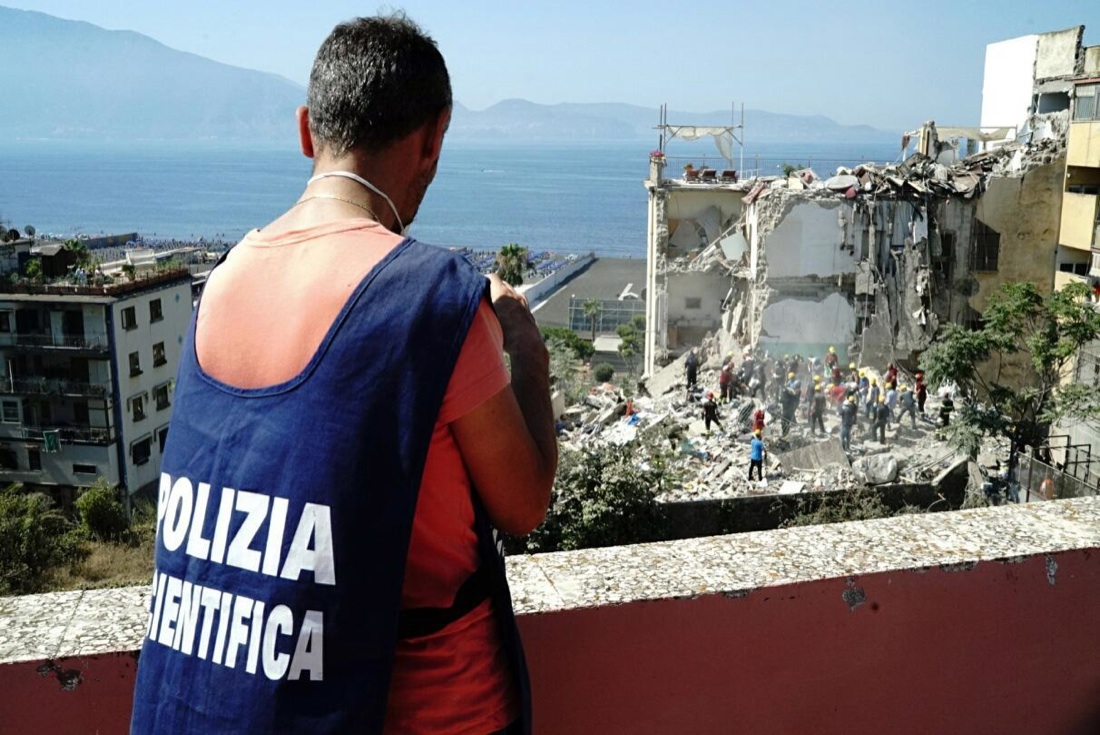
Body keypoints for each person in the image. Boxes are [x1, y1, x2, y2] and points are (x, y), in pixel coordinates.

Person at [130, 15, 556, 735]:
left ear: (306, 130)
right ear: (433, 140)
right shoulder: (431, 300)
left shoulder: (220, 285)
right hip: (434, 708)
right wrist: (526, 348)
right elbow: (523, 504)